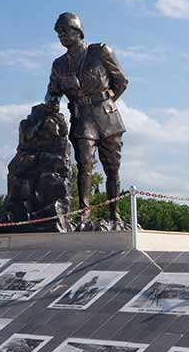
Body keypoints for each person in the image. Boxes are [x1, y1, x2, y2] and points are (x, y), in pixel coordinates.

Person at [45, 12, 129, 226]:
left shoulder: (100, 51)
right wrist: (52, 102)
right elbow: (52, 91)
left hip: (107, 115)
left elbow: (121, 81)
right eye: (58, 33)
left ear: (78, 31)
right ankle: (85, 214)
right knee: (85, 164)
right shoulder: (59, 65)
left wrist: (106, 100)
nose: (61, 35)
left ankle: (115, 214)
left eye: (65, 30)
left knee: (112, 168)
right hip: (82, 119)